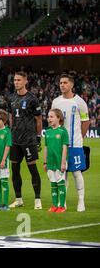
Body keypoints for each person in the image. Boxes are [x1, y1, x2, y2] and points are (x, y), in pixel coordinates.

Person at [51, 74, 89, 212]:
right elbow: (53, 120)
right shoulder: (55, 102)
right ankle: (63, 202)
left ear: (71, 85)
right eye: (60, 82)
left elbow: (86, 122)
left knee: (76, 173)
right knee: (62, 173)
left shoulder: (79, 102)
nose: (62, 85)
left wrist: (80, 137)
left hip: (75, 144)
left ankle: (81, 201)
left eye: (65, 83)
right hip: (60, 144)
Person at [7, 71, 43, 210]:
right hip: (15, 140)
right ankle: (18, 199)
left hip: (29, 139)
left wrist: (38, 137)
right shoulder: (11, 98)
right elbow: (11, 117)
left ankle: (37, 199)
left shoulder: (32, 99)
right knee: (15, 170)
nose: (16, 82)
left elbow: (39, 119)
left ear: (25, 81)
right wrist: (11, 133)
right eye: (15, 80)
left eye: (19, 80)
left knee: (32, 169)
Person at [44, 109, 69, 213]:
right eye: (48, 117)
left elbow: (64, 148)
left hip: (59, 162)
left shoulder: (63, 131)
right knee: (53, 184)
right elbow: (46, 147)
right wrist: (45, 162)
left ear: (58, 118)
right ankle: (54, 205)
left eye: (51, 117)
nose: (49, 119)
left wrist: (63, 163)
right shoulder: (48, 131)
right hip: (50, 162)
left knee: (61, 183)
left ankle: (62, 206)